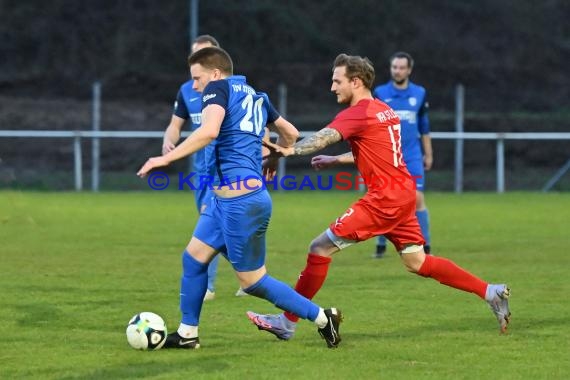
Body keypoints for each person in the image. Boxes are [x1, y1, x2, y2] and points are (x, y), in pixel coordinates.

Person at [247, 53, 511, 341]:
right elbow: (376, 150)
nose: (332, 87)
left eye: (337, 81)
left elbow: (323, 136)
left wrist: (289, 151)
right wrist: (336, 161)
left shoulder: (356, 113)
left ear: (355, 81)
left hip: (384, 199)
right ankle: (490, 291)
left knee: (319, 248)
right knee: (418, 262)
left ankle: (287, 322)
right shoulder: (384, 109)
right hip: (403, 194)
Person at [137, 46, 343, 349]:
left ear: (216, 73)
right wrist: (273, 158)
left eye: (197, 78)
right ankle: (187, 334)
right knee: (193, 258)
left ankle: (324, 318)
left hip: (241, 204)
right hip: (226, 202)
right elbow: (291, 133)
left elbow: (209, 132)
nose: (194, 86)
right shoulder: (256, 96)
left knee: (253, 282)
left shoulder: (217, 88)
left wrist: (166, 160)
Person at [162, 34, 221, 301]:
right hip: (200, 169)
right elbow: (176, 125)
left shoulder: (227, 90)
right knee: (215, 223)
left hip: (224, 168)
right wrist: (168, 142)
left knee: (208, 221)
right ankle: (252, 273)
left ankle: (207, 284)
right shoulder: (188, 90)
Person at [372, 51, 433, 258]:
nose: (397, 71)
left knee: (416, 197)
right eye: (394, 67)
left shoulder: (419, 93)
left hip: (413, 155)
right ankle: (381, 246)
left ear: (409, 70)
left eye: (401, 67)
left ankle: (426, 246)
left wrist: (428, 154)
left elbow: (424, 126)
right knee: (385, 199)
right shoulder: (380, 93)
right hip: (387, 157)